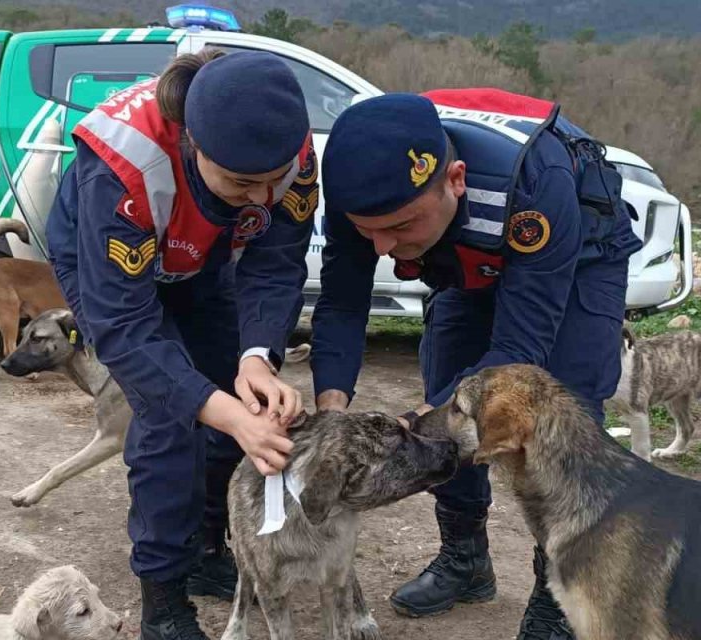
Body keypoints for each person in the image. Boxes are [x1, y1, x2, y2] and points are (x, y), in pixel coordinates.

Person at [309, 89, 643, 639]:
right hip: (464, 253)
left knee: (565, 408)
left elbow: (520, 351)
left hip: (578, 251)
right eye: (371, 232)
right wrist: (331, 409)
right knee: (445, 381)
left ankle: (559, 593)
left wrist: (429, 415)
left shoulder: (538, 187)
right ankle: (466, 559)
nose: (387, 247)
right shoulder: (365, 193)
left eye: (401, 226)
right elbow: (343, 303)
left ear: (455, 179)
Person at [45, 48, 319, 640]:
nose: (263, 198)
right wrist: (213, 409)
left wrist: (258, 358)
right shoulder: (123, 168)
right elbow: (127, 327)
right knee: (168, 419)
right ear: (192, 142)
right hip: (110, 263)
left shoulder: (287, 150)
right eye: (245, 183)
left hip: (199, 251)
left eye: (274, 182)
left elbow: (276, 261)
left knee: (238, 399)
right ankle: (163, 598)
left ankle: (206, 550)